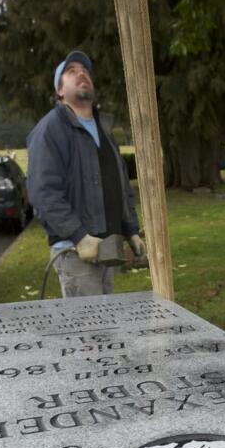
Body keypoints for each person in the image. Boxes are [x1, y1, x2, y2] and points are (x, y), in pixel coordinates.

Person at [26, 50, 144, 297]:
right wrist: (79, 236)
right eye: (71, 72)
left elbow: (119, 185)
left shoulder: (104, 130)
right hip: (75, 252)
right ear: (60, 91)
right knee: (90, 334)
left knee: (106, 330)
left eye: (85, 71)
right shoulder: (50, 130)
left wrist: (131, 229)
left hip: (107, 247)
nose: (81, 74)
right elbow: (43, 193)